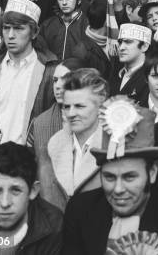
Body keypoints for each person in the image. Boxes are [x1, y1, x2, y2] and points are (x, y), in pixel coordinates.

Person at [61, 96, 158, 255]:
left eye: (129, 177)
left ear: (152, 173)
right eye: (109, 177)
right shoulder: (79, 210)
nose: (118, 189)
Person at [0, 0, 58, 144]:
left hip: (27, 159)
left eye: (19, 28)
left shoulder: (50, 73)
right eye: (6, 28)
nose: (10, 35)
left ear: (34, 33)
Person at [43, 68, 108, 211]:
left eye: (79, 106)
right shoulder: (54, 145)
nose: (71, 113)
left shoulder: (115, 146)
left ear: (100, 106)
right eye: (67, 107)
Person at [27, 58, 85, 213]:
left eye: (65, 79)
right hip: (50, 212)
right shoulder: (39, 123)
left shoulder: (97, 121)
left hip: (86, 210)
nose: (58, 86)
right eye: (54, 80)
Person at [110, 22, 152, 105]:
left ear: (144, 46)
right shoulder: (115, 73)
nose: (121, 47)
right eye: (120, 42)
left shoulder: (153, 77)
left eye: (128, 42)